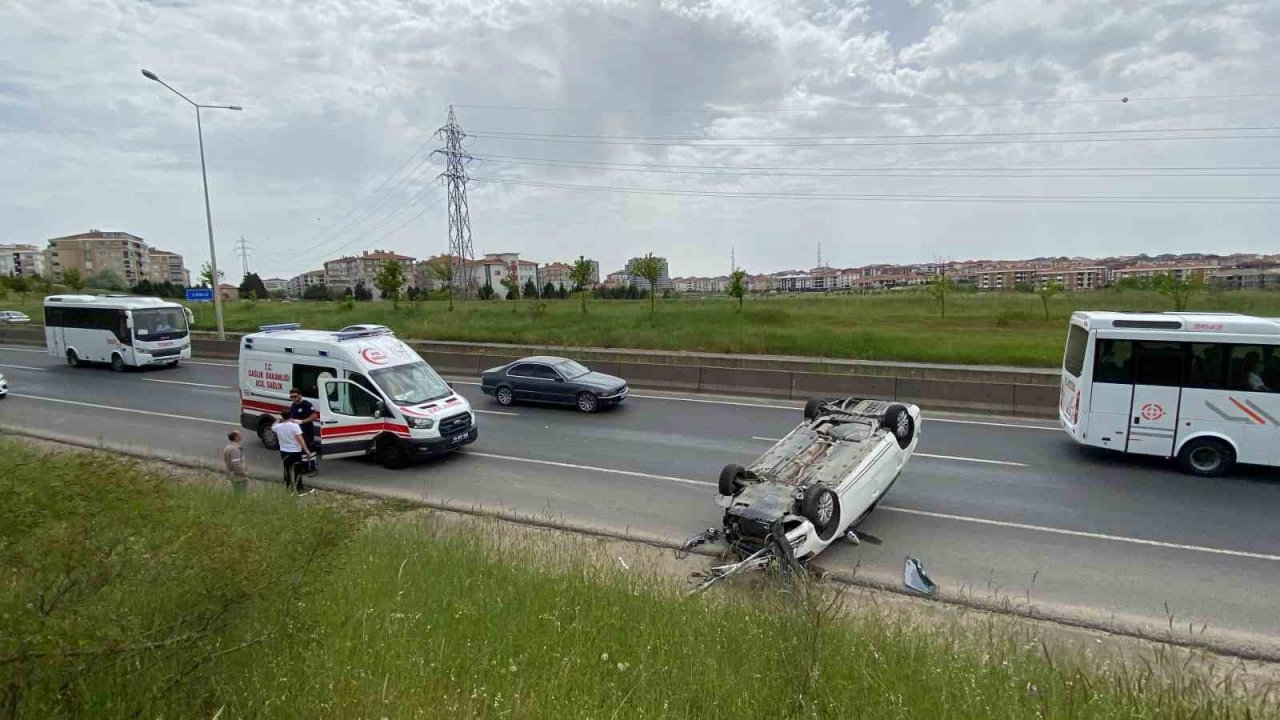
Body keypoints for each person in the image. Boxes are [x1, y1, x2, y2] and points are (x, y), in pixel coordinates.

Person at [272, 410, 314, 495]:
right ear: (290, 416)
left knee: (287, 470)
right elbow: (300, 440)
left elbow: (272, 426)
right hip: (295, 452)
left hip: (284, 452)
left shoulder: (278, 427)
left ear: (282, 417)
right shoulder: (294, 426)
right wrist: (307, 450)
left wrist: (278, 419)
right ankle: (299, 488)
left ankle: (288, 489)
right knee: (297, 470)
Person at [289, 387, 322, 463]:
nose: (293, 398)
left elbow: (314, 416)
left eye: (295, 396)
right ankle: (304, 467)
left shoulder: (306, 404)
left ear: (300, 395)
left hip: (308, 431)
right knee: (301, 450)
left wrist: (302, 421)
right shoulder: (293, 406)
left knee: (310, 448)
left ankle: (313, 467)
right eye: (291, 397)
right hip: (298, 432)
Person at [222, 430, 247, 495]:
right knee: (240, 492)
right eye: (239, 435)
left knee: (235, 490)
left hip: (232, 475)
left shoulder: (228, 447)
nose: (241, 436)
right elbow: (236, 464)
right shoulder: (234, 449)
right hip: (238, 476)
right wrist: (244, 472)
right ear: (236, 437)